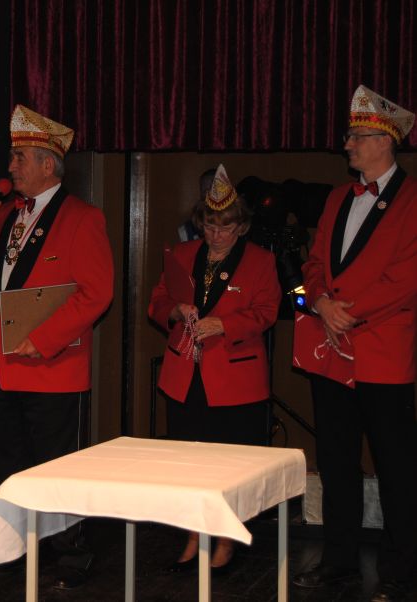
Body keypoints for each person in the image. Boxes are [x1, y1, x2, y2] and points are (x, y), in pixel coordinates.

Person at [0, 105, 114, 589]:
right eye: (12, 157)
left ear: (49, 164)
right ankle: (11, 548)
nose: (11, 166)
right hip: (1, 365)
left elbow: (97, 293)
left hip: (52, 365)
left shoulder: (83, 218)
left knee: (56, 465)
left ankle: (70, 553)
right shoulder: (5, 214)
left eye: (20, 157)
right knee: (6, 464)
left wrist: (43, 338)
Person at [291, 85, 417, 602]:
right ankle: (338, 561)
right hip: (331, 349)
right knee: (336, 460)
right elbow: (313, 263)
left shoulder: (412, 199)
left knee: (395, 466)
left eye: (357, 136)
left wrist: (350, 312)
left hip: (382, 353)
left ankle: (402, 570)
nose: (348, 144)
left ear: (385, 142)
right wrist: (320, 302)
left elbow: (406, 278)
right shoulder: (337, 197)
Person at [149, 164, 280, 574]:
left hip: (234, 379)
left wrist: (224, 324)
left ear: (241, 226)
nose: (216, 234)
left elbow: (267, 311)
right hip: (185, 376)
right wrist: (175, 310)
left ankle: (226, 539)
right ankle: (194, 535)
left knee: (228, 466)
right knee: (190, 464)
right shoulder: (182, 254)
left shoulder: (260, 261)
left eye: (225, 227)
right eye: (209, 225)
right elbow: (157, 301)